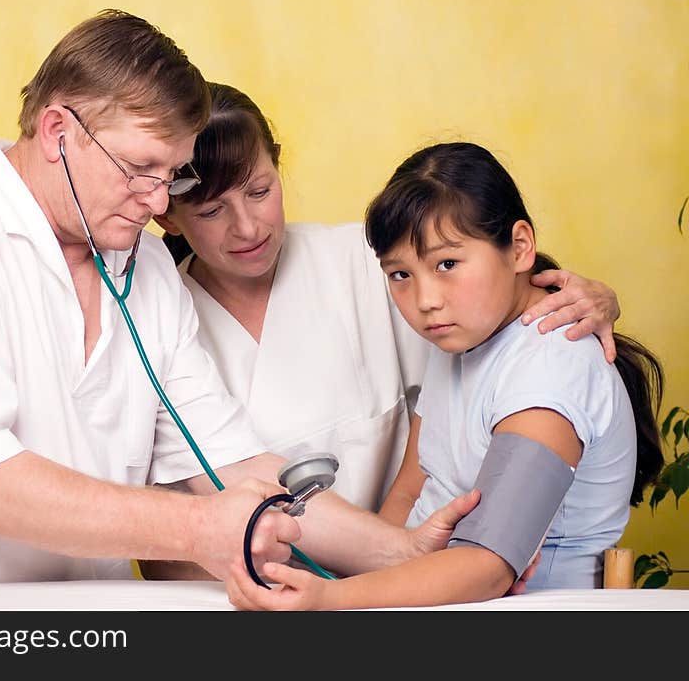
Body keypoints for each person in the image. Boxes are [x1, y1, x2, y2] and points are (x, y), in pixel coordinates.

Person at [0, 10, 488, 608]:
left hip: (89, 629)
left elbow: (234, 466)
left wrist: (410, 560)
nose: (160, 203)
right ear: (57, 132)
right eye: (141, 169)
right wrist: (202, 528)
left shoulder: (147, 271)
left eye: (171, 175)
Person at [225, 141, 664, 610]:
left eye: (447, 264)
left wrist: (331, 600)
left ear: (519, 248)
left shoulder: (550, 370)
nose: (425, 299)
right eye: (400, 274)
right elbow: (411, 489)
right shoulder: (461, 341)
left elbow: (488, 564)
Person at [154, 83, 621, 515]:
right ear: (168, 216)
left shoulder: (377, 260)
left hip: (408, 563)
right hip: (251, 588)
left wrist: (588, 295)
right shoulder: (159, 319)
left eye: (260, 191)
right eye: (211, 210)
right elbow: (167, 533)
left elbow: (503, 312)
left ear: (278, 165)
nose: (248, 227)